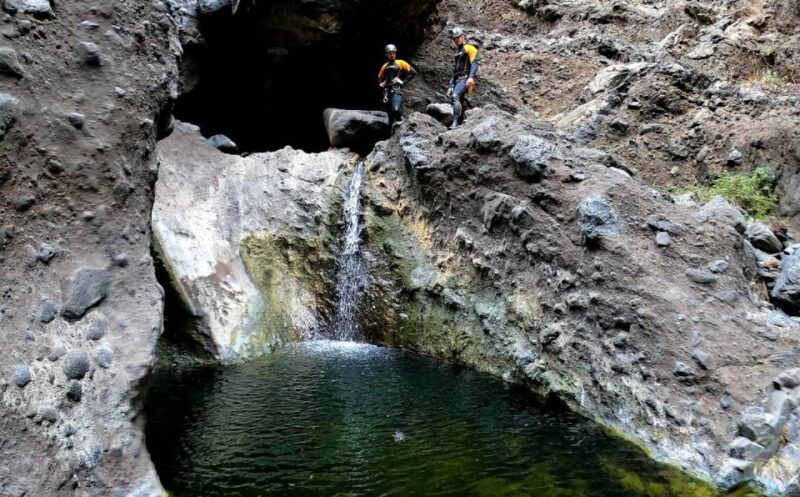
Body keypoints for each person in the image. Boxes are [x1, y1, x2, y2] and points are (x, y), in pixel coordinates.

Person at [446, 27, 479, 129]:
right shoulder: (457, 53)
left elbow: (474, 63)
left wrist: (471, 77)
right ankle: (461, 122)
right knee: (458, 99)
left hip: (465, 79)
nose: (457, 40)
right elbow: (455, 71)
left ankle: (455, 122)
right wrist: (450, 85)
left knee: (455, 96)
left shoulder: (469, 48)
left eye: (458, 37)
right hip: (457, 80)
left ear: (462, 36)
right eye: (455, 38)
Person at [377, 44, 417, 128]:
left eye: (393, 53)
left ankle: (400, 124)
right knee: (390, 115)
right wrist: (382, 82)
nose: (392, 55)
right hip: (387, 91)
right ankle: (392, 134)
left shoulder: (400, 62)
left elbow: (413, 72)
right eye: (390, 53)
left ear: (395, 53)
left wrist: (403, 81)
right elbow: (380, 77)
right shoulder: (385, 66)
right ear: (387, 54)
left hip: (396, 89)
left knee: (395, 109)